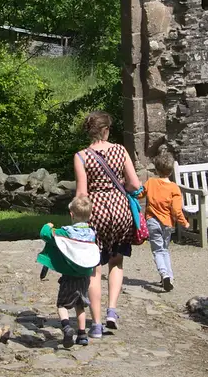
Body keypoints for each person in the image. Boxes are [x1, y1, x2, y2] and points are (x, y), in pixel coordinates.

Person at [73, 110, 142, 336]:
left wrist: (75, 218)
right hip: (121, 210)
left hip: (96, 212)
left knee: (94, 269)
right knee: (116, 262)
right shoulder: (121, 151)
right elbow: (133, 183)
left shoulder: (81, 156)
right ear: (105, 130)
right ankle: (112, 310)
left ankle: (96, 324)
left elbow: (82, 193)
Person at [35, 194, 101, 348]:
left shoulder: (65, 232)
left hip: (69, 276)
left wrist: (48, 225)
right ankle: (82, 335)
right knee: (80, 305)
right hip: (85, 276)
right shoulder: (92, 234)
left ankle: (66, 327)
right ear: (90, 215)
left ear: (71, 214)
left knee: (62, 305)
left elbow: (45, 234)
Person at [142, 144, 189, 292]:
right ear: (170, 171)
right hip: (167, 223)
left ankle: (164, 274)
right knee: (165, 249)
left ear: (156, 169)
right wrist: (184, 222)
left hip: (152, 221)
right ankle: (170, 276)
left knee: (157, 250)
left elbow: (139, 194)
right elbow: (176, 210)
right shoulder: (174, 188)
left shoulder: (150, 183)